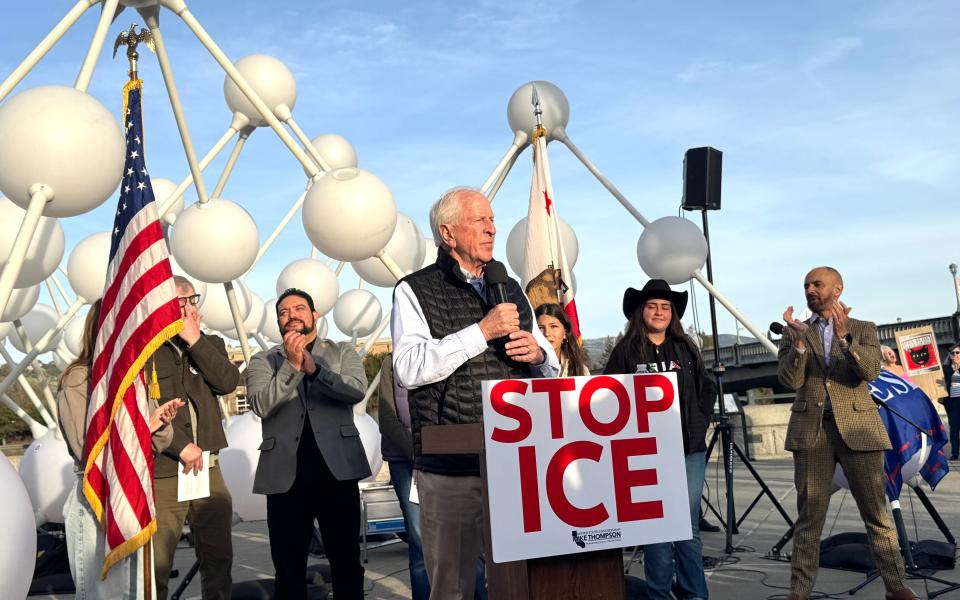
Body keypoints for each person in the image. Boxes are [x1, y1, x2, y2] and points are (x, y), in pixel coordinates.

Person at [391, 187, 559, 600]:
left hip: (517, 460)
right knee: (453, 588)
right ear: (448, 234)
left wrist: (538, 354)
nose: (492, 229)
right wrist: (482, 332)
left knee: (521, 584)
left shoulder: (510, 287)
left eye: (492, 219)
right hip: (451, 468)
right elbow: (408, 367)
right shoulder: (414, 290)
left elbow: (551, 364)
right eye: (480, 220)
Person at [778, 266, 917, 600]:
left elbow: (869, 371)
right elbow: (789, 381)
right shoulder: (794, 332)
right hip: (812, 431)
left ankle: (896, 586)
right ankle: (799, 592)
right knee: (809, 517)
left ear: (837, 289)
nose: (810, 290)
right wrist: (799, 345)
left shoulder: (863, 328)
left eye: (817, 284)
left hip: (859, 429)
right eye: (806, 285)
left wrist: (844, 339)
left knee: (876, 514)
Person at [247, 288, 370, 600]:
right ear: (278, 322)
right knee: (288, 570)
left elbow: (356, 390)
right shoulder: (263, 360)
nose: (292, 315)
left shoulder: (342, 352)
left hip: (337, 473)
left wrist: (316, 370)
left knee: (346, 564)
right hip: (285, 479)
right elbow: (261, 404)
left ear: (315, 315)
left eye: (299, 308)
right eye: (283, 312)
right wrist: (291, 365)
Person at [58, 299, 183, 599]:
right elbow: (85, 447)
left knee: (134, 591)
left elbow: (160, 441)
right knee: (99, 592)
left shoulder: (134, 376)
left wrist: (160, 422)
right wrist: (143, 428)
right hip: (96, 492)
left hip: (132, 489)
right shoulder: (78, 378)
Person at [603, 279, 715, 600]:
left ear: (672, 314)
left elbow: (706, 389)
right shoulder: (625, 351)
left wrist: (698, 424)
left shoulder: (686, 348)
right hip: (644, 454)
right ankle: (660, 595)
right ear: (641, 311)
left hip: (688, 451)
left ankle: (695, 595)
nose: (659, 312)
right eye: (652, 306)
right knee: (655, 527)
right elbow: (607, 396)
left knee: (687, 527)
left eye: (665, 307)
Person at [150, 276, 240, 600]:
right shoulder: (148, 350)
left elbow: (228, 382)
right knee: (157, 564)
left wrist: (195, 340)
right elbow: (142, 409)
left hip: (208, 469)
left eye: (192, 299)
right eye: (179, 302)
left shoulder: (210, 343)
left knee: (218, 559)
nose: (187, 307)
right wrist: (178, 445)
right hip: (163, 470)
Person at [535, 303, 590, 376]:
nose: (547, 333)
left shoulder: (580, 370)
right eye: (540, 328)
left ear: (565, 333)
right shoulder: (524, 370)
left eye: (554, 326)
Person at [939, 343, 960, 460]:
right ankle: (955, 453)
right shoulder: (946, 368)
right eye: (953, 353)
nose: (955, 355)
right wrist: (954, 369)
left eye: (958, 352)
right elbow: (944, 381)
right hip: (952, 401)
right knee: (954, 427)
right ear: (950, 356)